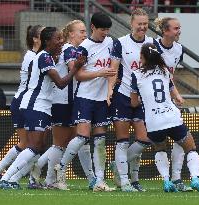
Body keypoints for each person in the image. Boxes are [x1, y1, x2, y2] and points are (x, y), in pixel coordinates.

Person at [0, 27, 86, 189]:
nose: (61, 41)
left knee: (38, 147)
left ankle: (13, 179)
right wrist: (76, 67)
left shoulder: (47, 57)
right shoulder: (44, 57)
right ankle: (5, 178)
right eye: (57, 39)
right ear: (47, 41)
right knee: (34, 146)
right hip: (35, 104)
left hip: (41, 106)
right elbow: (61, 83)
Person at [130, 42, 199, 193]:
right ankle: (195, 179)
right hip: (171, 117)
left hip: (153, 121)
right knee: (191, 148)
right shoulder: (164, 70)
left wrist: (144, 99)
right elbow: (171, 87)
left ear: (144, 57)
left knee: (160, 149)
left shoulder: (136, 74)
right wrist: (178, 97)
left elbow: (134, 103)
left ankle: (167, 181)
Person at [28, 20, 96, 190]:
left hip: (68, 101)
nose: (84, 34)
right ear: (71, 34)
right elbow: (76, 71)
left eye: (85, 31)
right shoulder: (69, 49)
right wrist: (99, 72)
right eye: (81, 31)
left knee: (79, 141)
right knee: (62, 142)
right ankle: (51, 179)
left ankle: (91, 179)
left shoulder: (70, 49)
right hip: (63, 101)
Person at [54, 12, 117, 192]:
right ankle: (62, 167)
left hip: (101, 98)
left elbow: (114, 67)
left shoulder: (111, 43)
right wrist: (100, 73)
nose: (105, 33)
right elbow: (79, 76)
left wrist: (110, 88)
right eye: (102, 29)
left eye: (107, 30)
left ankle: (99, 180)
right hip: (85, 97)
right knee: (82, 136)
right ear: (93, 28)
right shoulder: (84, 48)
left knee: (100, 140)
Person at [0, 25, 44, 186]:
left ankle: (2, 172)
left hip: (27, 100)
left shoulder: (38, 55)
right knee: (29, 143)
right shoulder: (32, 57)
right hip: (24, 101)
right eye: (43, 34)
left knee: (32, 143)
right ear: (35, 38)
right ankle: (2, 173)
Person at [108, 8, 153, 192]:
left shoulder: (152, 43)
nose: (142, 27)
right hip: (122, 96)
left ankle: (119, 166)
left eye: (145, 24)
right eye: (139, 24)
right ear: (131, 24)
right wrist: (110, 90)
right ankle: (127, 181)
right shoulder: (121, 43)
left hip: (142, 99)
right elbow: (113, 68)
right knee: (123, 140)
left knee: (144, 139)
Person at [153, 17, 192, 192]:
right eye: (176, 28)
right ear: (165, 31)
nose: (179, 31)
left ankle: (176, 179)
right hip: (151, 100)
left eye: (179, 28)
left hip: (168, 100)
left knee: (181, 139)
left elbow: (170, 75)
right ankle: (124, 170)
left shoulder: (179, 49)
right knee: (146, 142)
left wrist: (174, 93)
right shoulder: (151, 46)